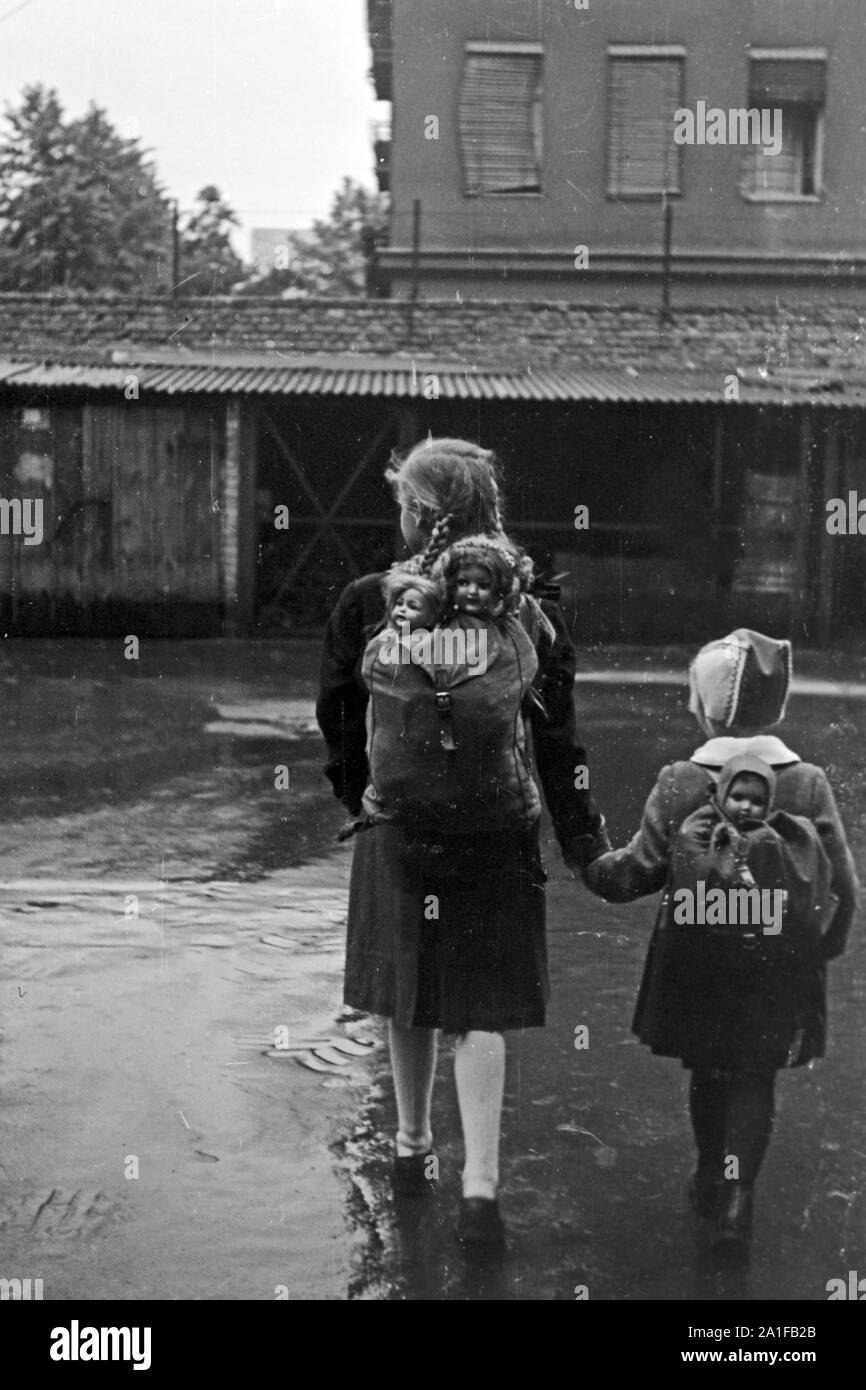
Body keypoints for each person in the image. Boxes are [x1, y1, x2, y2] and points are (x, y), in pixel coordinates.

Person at [316, 436, 606, 1248]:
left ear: (420, 513)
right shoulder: (531, 603)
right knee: (482, 1009)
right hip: (496, 827)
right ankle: (481, 1187)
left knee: (408, 991)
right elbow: (560, 744)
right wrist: (582, 843)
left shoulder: (372, 598)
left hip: (400, 826)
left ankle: (412, 1151)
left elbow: (336, 715)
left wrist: (364, 799)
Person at [582, 628, 859, 1255]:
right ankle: (741, 1199)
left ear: (709, 705)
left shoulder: (685, 778)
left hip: (698, 959)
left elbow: (634, 874)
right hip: (777, 962)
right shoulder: (808, 781)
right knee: (755, 1073)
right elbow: (844, 886)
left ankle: (711, 1176)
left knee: (707, 1068)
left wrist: (585, 851)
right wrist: (817, 953)